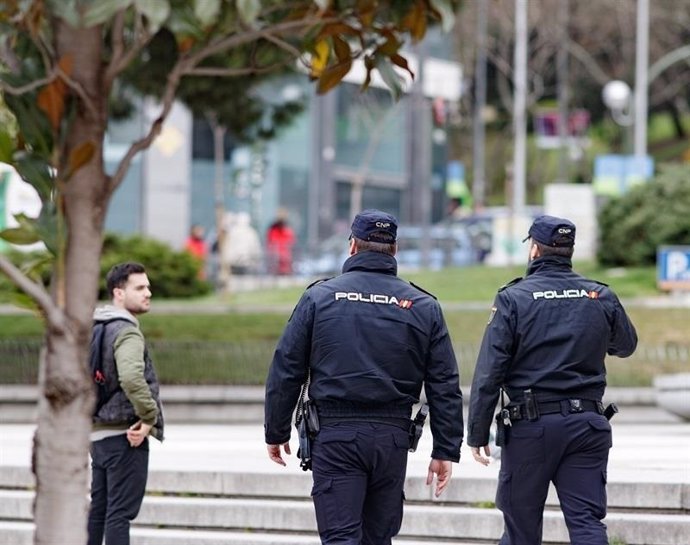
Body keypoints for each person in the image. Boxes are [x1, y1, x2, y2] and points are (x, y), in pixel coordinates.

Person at [264, 209, 464, 545]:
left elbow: (287, 368)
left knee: (341, 537)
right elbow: (444, 383)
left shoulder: (319, 297)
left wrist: (276, 429)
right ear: (395, 250)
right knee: (378, 538)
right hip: (392, 438)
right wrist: (445, 449)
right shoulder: (422, 305)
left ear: (352, 246)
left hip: (335, 434)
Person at [467, 215, 638, 545]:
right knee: (587, 523)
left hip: (531, 429)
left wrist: (477, 432)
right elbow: (626, 346)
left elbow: (490, 371)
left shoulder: (513, 298)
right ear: (568, 251)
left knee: (521, 531)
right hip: (587, 425)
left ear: (534, 250)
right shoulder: (600, 296)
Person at [88, 262, 164, 545]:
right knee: (119, 514)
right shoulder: (126, 332)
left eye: (148, 286)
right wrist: (148, 417)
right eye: (140, 287)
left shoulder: (95, 327)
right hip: (125, 434)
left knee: (99, 511)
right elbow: (132, 378)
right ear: (118, 293)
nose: (149, 293)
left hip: (98, 433)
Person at [266, 211, 296, 275]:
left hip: (285, 258)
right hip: (276, 258)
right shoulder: (273, 230)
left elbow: (291, 242)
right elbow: (271, 243)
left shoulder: (287, 231)